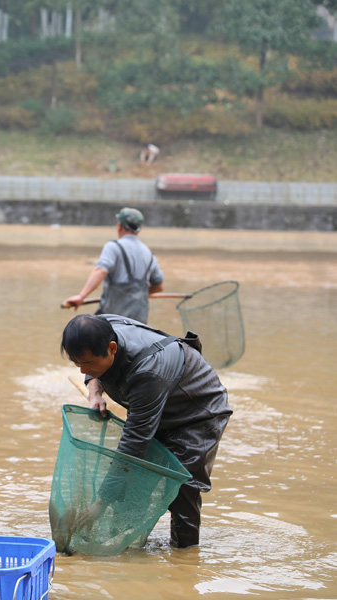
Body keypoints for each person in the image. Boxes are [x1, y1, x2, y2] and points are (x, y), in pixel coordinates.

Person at [60, 313, 232, 548]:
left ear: (112, 348)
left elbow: (133, 443)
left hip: (198, 413)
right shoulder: (100, 326)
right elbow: (92, 363)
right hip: (156, 405)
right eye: (77, 363)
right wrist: (95, 391)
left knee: (183, 490)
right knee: (133, 485)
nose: (82, 371)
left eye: (87, 364)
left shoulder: (147, 371)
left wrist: (100, 503)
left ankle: (185, 560)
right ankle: (122, 547)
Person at [63, 207, 164, 324]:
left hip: (113, 319)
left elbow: (100, 271)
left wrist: (81, 296)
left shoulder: (113, 247)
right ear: (139, 229)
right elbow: (159, 287)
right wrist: (136, 295)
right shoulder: (149, 253)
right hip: (139, 322)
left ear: (119, 225)